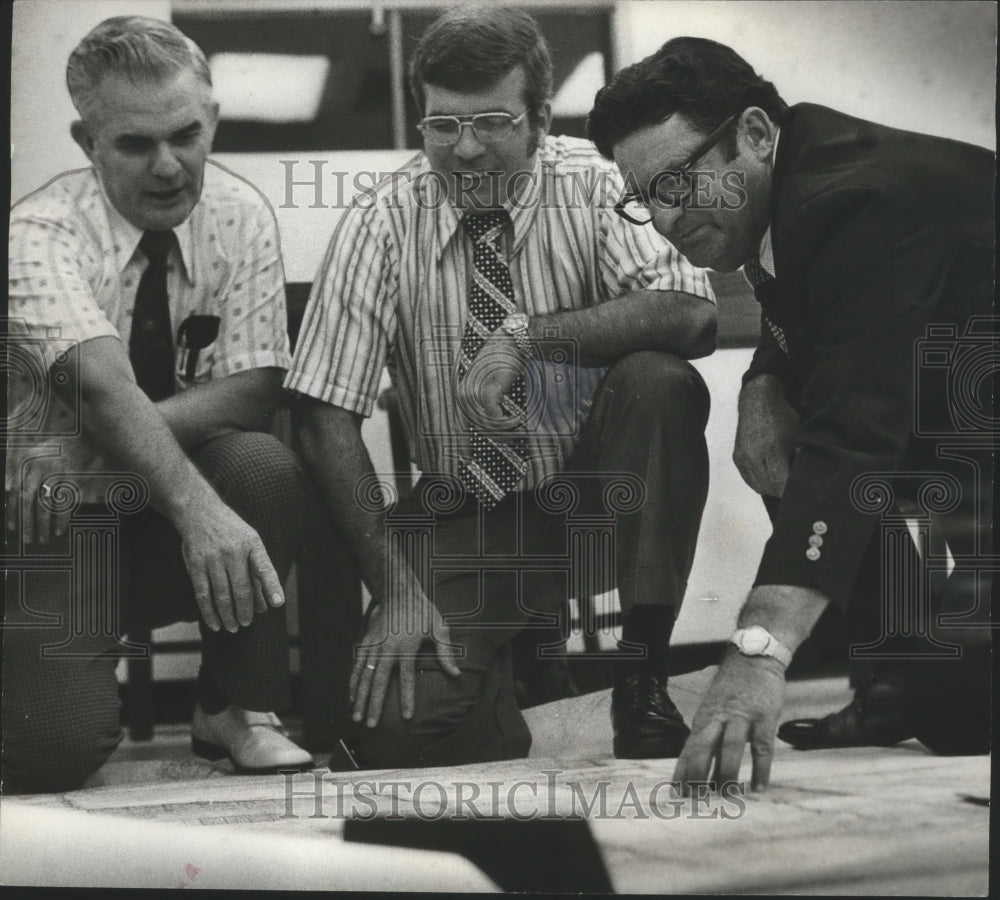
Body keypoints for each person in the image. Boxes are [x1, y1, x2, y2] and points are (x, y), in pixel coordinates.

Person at [287, 6, 716, 768]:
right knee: (397, 729)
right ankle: (526, 674)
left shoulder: (592, 182)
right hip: (472, 511)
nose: (465, 149)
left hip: (597, 495)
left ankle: (640, 677)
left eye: (491, 122)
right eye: (441, 126)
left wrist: (529, 335)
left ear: (541, 118)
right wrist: (397, 591)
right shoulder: (381, 219)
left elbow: (690, 315)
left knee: (660, 380)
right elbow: (324, 415)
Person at [588, 36, 993, 791]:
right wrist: (763, 384)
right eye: (648, 196)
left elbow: (853, 434)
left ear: (756, 133)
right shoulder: (785, 184)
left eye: (679, 180)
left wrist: (758, 651)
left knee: (964, 713)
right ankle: (892, 675)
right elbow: (826, 318)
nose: (668, 218)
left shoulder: (855, 199)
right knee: (781, 430)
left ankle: (919, 679)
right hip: (966, 432)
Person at [4, 16, 313, 794]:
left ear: (211, 121)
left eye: (186, 135)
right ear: (87, 142)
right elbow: (101, 383)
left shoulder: (241, 217)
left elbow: (254, 387)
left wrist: (91, 449)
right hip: (61, 522)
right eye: (136, 145)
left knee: (262, 464)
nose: (170, 166)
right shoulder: (38, 230)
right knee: (54, 756)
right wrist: (189, 505)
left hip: (123, 494)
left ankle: (232, 706)